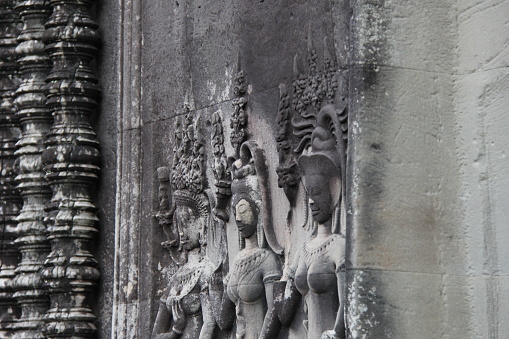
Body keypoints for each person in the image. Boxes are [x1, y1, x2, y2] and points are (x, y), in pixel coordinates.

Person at [262, 105, 347, 339]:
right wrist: (285, 271)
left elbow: (347, 304)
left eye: (318, 194)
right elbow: (284, 313)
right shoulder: (303, 250)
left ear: (333, 193)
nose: (310, 202)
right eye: (308, 194)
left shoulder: (339, 247)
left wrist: (336, 333)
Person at [209, 141, 282, 339]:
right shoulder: (237, 261)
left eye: (243, 211)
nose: (238, 218)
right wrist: (213, 289)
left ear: (257, 210)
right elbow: (224, 321)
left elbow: (274, 313)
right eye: (235, 213)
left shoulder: (266, 259)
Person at [152, 190, 216, 339]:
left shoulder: (205, 272)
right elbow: (155, 335)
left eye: (187, 222)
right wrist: (176, 331)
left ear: (201, 224)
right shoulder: (176, 277)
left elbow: (210, 324)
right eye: (178, 225)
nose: (182, 232)